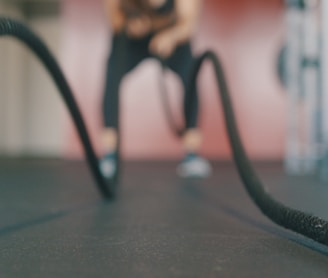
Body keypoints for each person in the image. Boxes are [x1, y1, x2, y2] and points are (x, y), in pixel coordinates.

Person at [100, 0, 212, 178]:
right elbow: (114, 19)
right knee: (111, 76)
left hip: (172, 37)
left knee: (191, 76)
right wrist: (129, 26)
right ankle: (109, 154)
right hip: (131, 39)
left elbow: (189, 25)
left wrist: (171, 36)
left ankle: (191, 154)